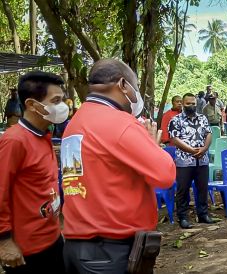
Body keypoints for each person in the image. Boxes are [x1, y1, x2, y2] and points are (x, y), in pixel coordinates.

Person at [61, 59, 175, 273]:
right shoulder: (119, 122)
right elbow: (165, 175)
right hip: (111, 250)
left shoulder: (76, 122)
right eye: (135, 86)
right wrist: (153, 146)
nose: (137, 95)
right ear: (123, 85)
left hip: (78, 245)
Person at [0, 71, 68, 274]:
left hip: (53, 239)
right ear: (31, 105)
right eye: (55, 101)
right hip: (26, 252)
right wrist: (4, 241)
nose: (62, 106)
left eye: (62, 100)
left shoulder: (43, 136)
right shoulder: (14, 141)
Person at [169, 93, 216, 229]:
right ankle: (183, 217)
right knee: (183, 190)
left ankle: (203, 214)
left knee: (202, 188)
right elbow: (174, 139)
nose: (191, 106)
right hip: (184, 161)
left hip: (202, 160)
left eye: (193, 103)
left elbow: (208, 133)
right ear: (183, 104)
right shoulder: (176, 120)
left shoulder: (202, 118)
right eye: (188, 103)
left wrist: (204, 148)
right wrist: (191, 150)